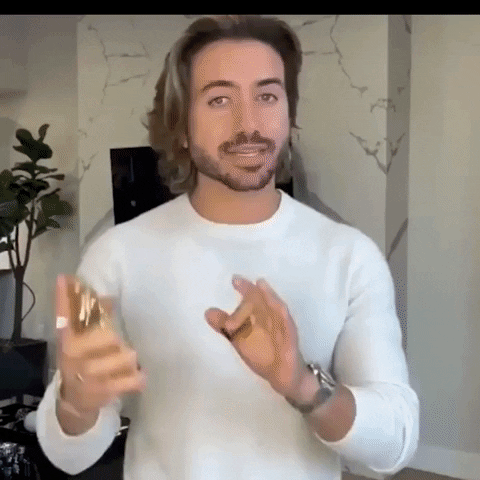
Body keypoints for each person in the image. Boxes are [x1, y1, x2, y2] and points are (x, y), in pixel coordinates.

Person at [35, 15, 419, 480]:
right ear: (180, 126)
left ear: (289, 115)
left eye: (267, 96)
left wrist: (302, 384)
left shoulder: (352, 258)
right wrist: (76, 400)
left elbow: (396, 443)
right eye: (219, 99)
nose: (248, 123)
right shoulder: (109, 257)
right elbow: (69, 455)